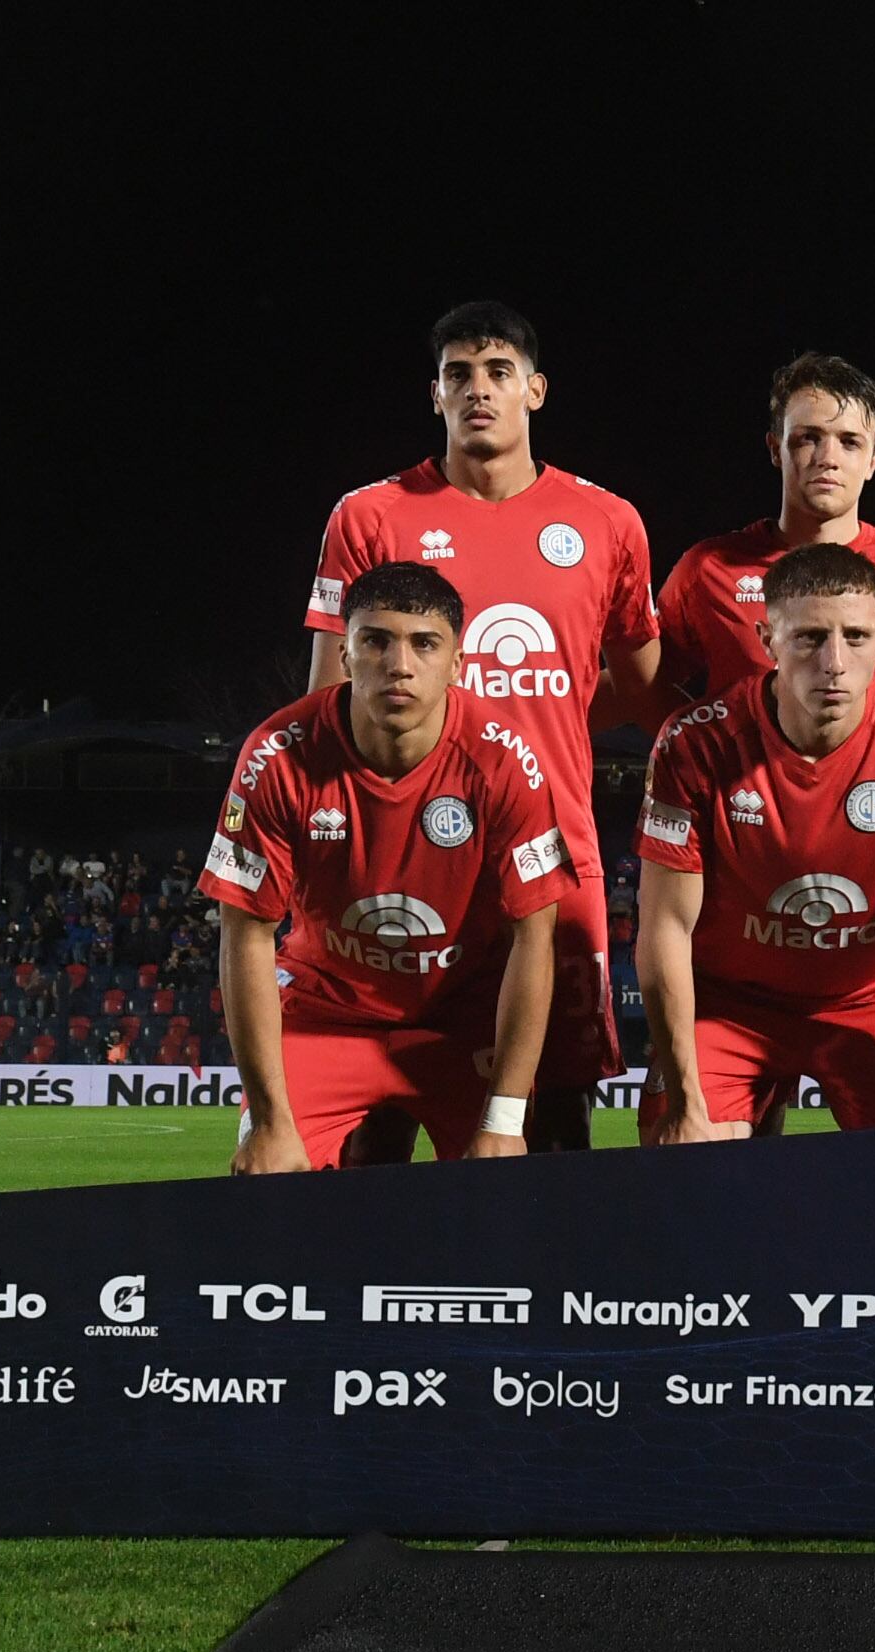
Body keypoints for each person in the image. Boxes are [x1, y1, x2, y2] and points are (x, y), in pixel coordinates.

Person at [298, 300, 662, 1153]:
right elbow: (327, 700)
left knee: (556, 1116)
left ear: (536, 389)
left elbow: (643, 689)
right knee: (382, 1112)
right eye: (458, 374)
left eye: (499, 372)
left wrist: (543, 722)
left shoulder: (608, 523)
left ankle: (549, 1291)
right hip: (402, 858)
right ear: (435, 394)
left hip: (552, 857)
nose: (479, 390)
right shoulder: (370, 517)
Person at [208, 562, 567, 1171]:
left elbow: (535, 939)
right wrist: (269, 1122)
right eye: (375, 640)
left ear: (458, 664)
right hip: (326, 1014)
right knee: (265, 1182)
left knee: (503, 1199)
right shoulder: (276, 754)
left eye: (424, 644)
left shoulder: (508, 762)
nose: (399, 664)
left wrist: (504, 1121)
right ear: (344, 656)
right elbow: (245, 933)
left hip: (460, 1021)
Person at [632, 543, 875, 1137]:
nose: (834, 663)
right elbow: (664, 926)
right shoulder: (694, 743)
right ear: (767, 640)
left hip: (874, 999)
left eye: (855, 637)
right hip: (734, 1005)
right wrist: (687, 1104)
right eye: (809, 639)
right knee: (678, 1156)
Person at [656, 352, 875, 704]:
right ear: (775, 449)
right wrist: (695, 746)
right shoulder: (709, 569)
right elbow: (637, 682)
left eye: (849, 442)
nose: (827, 458)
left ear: (873, 461)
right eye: (809, 438)